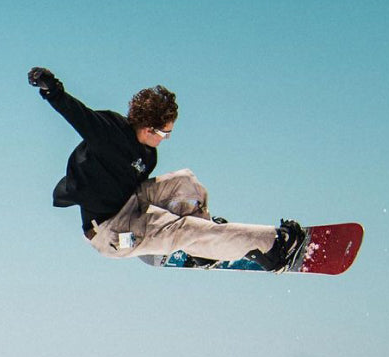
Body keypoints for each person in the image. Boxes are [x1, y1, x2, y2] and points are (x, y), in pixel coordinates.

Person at [28, 67, 305, 271]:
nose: (166, 138)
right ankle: (272, 248)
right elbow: (77, 114)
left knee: (186, 181)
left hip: (130, 204)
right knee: (184, 229)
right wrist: (51, 89)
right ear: (147, 127)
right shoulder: (110, 132)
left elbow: (154, 196)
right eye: (164, 132)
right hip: (110, 233)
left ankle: (204, 247)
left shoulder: (149, 155)